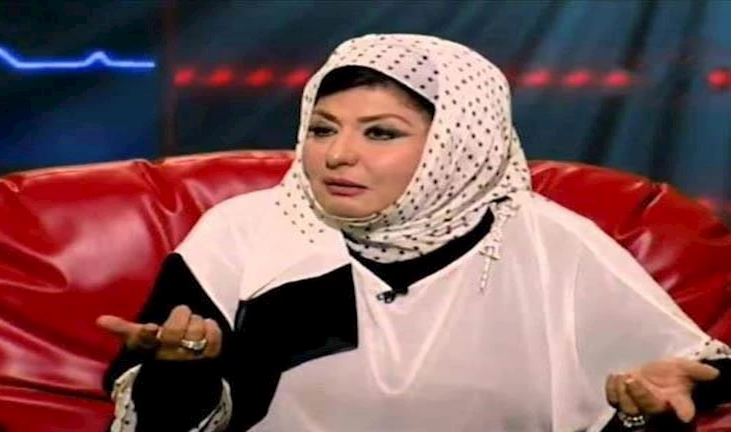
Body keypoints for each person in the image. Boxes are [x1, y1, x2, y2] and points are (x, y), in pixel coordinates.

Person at [97, 34, 730, 432]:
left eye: (381, 132)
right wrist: (180, 373)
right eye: (322, 129)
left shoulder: (552, 243)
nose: (336, 155)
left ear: (457, 147)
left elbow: (689, 373)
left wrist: (654, 410)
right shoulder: (241, 233)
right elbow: (161, 421)